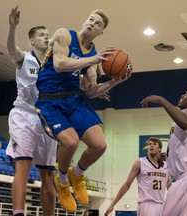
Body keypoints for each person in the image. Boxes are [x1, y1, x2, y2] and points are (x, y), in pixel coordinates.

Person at [35, 9, 132, 212]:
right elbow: (60, 64)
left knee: (100, 145)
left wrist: (114, 82)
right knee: (70, 142)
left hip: (74, 98)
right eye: (91, 20)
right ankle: (61, 181)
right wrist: (93, 61)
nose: (92, 24)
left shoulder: (92, 55)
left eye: (97, 24)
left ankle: (76, 175)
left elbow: (91, 91)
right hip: (50, 100)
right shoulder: (64, 34)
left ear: (100, 32)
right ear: (85, 21)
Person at [5, 6, 57, 216]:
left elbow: (80, 84)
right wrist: (12, 26)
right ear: (32, 41)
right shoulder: (24, 58)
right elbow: (10, 50)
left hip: (47, 119)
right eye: (42, 35)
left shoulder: (57, 63)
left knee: (47, 175)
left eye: (48, 35)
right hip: (24, 115)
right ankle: (18, 213)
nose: (46, 38)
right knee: (23, 164)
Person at [141, 78, 187, 216]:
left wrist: (161, 100)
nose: (183, 95)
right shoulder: (185, 117)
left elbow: (185, 123)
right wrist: (168, 158)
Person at [104, 137, 171, 216]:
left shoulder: (166, 165)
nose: (151, 146)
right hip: (146, 204)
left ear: (159, 148)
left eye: (154, 144)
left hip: (161, 204)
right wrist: (112, 204)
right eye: (149, 144)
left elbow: (169, 185)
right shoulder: (140, 162)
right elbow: (127, 184)